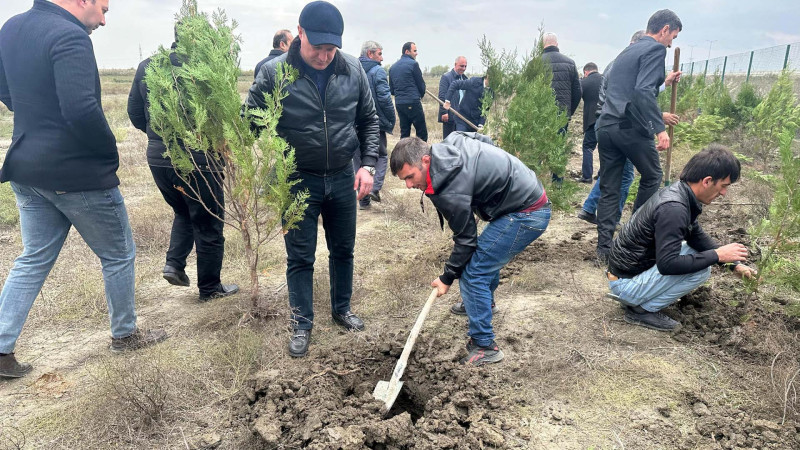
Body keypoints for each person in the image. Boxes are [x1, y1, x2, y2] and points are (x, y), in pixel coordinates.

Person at [0, 0, 167, 378]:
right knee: (119, 253)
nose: (104, 20)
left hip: (26, 168)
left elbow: (6, 91)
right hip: (75, 173)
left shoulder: (10, 27)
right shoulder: (69, 36)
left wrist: (39, 117)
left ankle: (0, 348)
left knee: (33, 257)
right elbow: (81, 109)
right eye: (103, 9)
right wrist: (108, 151)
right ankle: (125, 334)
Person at [244, 1, 379, 358]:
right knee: (300, 256)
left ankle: (342, 309)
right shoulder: (274, 73)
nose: (323, 56)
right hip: (296, 179)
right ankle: (302, 323)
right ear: (299, 33)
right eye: (317, 47)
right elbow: (249, 123)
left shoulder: (352, 69)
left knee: (343, 249)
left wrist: (367, 165)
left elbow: (369, 120)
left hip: (342, 176)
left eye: (330, 48)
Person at [390, 132, 551, 366]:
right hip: (522, 198)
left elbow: (466, 241)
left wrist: (446, 278)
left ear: (425, 160)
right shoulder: (451, 143)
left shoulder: (450, 189)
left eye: (410, 176)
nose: (408, 185)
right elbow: (482, 139)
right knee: (484, 257)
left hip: (527, 213)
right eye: (403, 180)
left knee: (473, 273)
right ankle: (483, 303)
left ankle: (485, 346)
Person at [128, 30, 239, 301]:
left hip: (159, 159)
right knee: (208, 224)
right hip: (200, 160)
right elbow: (227, 115)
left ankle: (174, 265)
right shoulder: (209, 69)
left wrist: (162, 139)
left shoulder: (148, 66)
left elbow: (135, 113)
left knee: (183, 210)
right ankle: (210, 289)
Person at [606, 144, 756, 332]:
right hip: (625, 285)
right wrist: (717, 255)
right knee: (702, 270)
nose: (724, 193)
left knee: (697, 251)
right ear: (707, 181)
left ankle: (639, 299)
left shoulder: (680, 194)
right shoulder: (674, 208)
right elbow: (667, 265)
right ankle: (641, 310)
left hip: (626, 274)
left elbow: (697, 238)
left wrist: (733, 264)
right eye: (723, 186)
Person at [595, 10, 682, 262]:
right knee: (653, 175)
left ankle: (604, 249)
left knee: (610, 188)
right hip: (629, 128)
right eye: (673, 36)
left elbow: (629, 89)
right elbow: (643, 91)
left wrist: (663, 82)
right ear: (664, 30)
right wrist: (659, 129)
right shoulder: (656, 49)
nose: (671, 43)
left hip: (606, 126)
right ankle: (631, 239)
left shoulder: (628, 51)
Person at [577, 31, 647, 225]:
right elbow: (635, 94)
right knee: (625, 176)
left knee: (612, 170)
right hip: (619, 124)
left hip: (605, 122)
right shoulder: (628, 65)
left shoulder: (616, 63)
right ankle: (612, 219)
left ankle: (589, 208)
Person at [353, 40, 395, 211]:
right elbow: (384, 98)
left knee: (358, 159)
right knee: (381, 155)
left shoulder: (353, 68)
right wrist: (390, 118)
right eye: (379, 54)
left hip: (354, 122)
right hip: (373, 122)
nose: (382, 58)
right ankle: (374, 188)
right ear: (370, 54)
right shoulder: (378, 71)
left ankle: (363, 201)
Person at [541, 32, 581, 183]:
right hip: (561, 115)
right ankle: (557, 183)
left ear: (543, 44)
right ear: (557, 44)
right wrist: (568, 112)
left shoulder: (534, 64)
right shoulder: (570, 63)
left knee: (538, 145)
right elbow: (577, 92)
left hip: (540, 114)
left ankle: (536, 182)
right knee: (558, 148)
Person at [389, 42, 427, 141]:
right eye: (414, 51)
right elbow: (421, 85)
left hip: (399, 103)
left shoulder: (392, 68)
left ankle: (402, 151)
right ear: (407, 51)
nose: (416, 53)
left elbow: (392, 90)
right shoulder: (413, 64)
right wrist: (419, 95)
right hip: (413, 101)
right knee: (421, 132)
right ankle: (422, 150)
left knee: (404, 132)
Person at [578, 62, 602, 183]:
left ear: (586, 72)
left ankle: (587, 176)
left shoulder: (584, 82)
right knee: (605, 147)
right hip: (608, 118)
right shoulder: (605, 80)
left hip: (592, 119)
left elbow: (576, 96)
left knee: (588, 147)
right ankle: (602, 174)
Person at [438, 56, 468, 139]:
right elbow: (442, 96)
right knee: (449, 140)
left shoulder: (465, 79)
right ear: (455, 64)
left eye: (465, 66)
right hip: (450, 115)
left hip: (462, 117)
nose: (463, 68)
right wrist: (444, 112)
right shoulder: (446, 77)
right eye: (461, 66)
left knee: (461, 140)